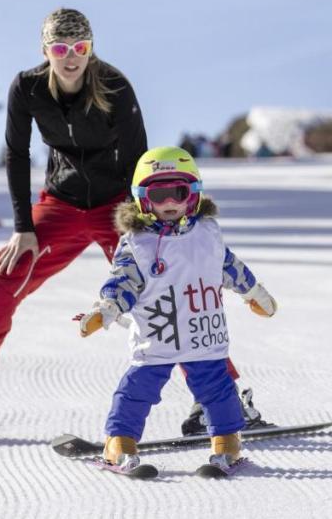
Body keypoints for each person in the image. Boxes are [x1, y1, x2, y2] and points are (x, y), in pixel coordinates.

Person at [0, 7, 149, 439]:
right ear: (45, 50)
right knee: (1, 282)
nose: (71, 57)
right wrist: (22, 226)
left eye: (80, 48)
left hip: (116, 206)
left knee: (161, 287)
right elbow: (16, 154)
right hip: (60, 205)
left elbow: (138, 159)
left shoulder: (114, 85)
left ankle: (220, 396)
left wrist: (141, 228)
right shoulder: (27, 87)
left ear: (91, 49)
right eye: (61, 48)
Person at [78, 146, 278, 473]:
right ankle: (120, 442)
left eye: (179, 192)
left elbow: (230, 267)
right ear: (143, 198)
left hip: (204, 336)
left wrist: (254, 291)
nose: (170, 202)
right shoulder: (137, 243)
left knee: (218, 390)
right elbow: (123, 281)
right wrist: (108, 309)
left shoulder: (208, 234)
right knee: (137, 391)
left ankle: (227, 443)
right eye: (159, 194)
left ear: (193, 195)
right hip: (158, 336)